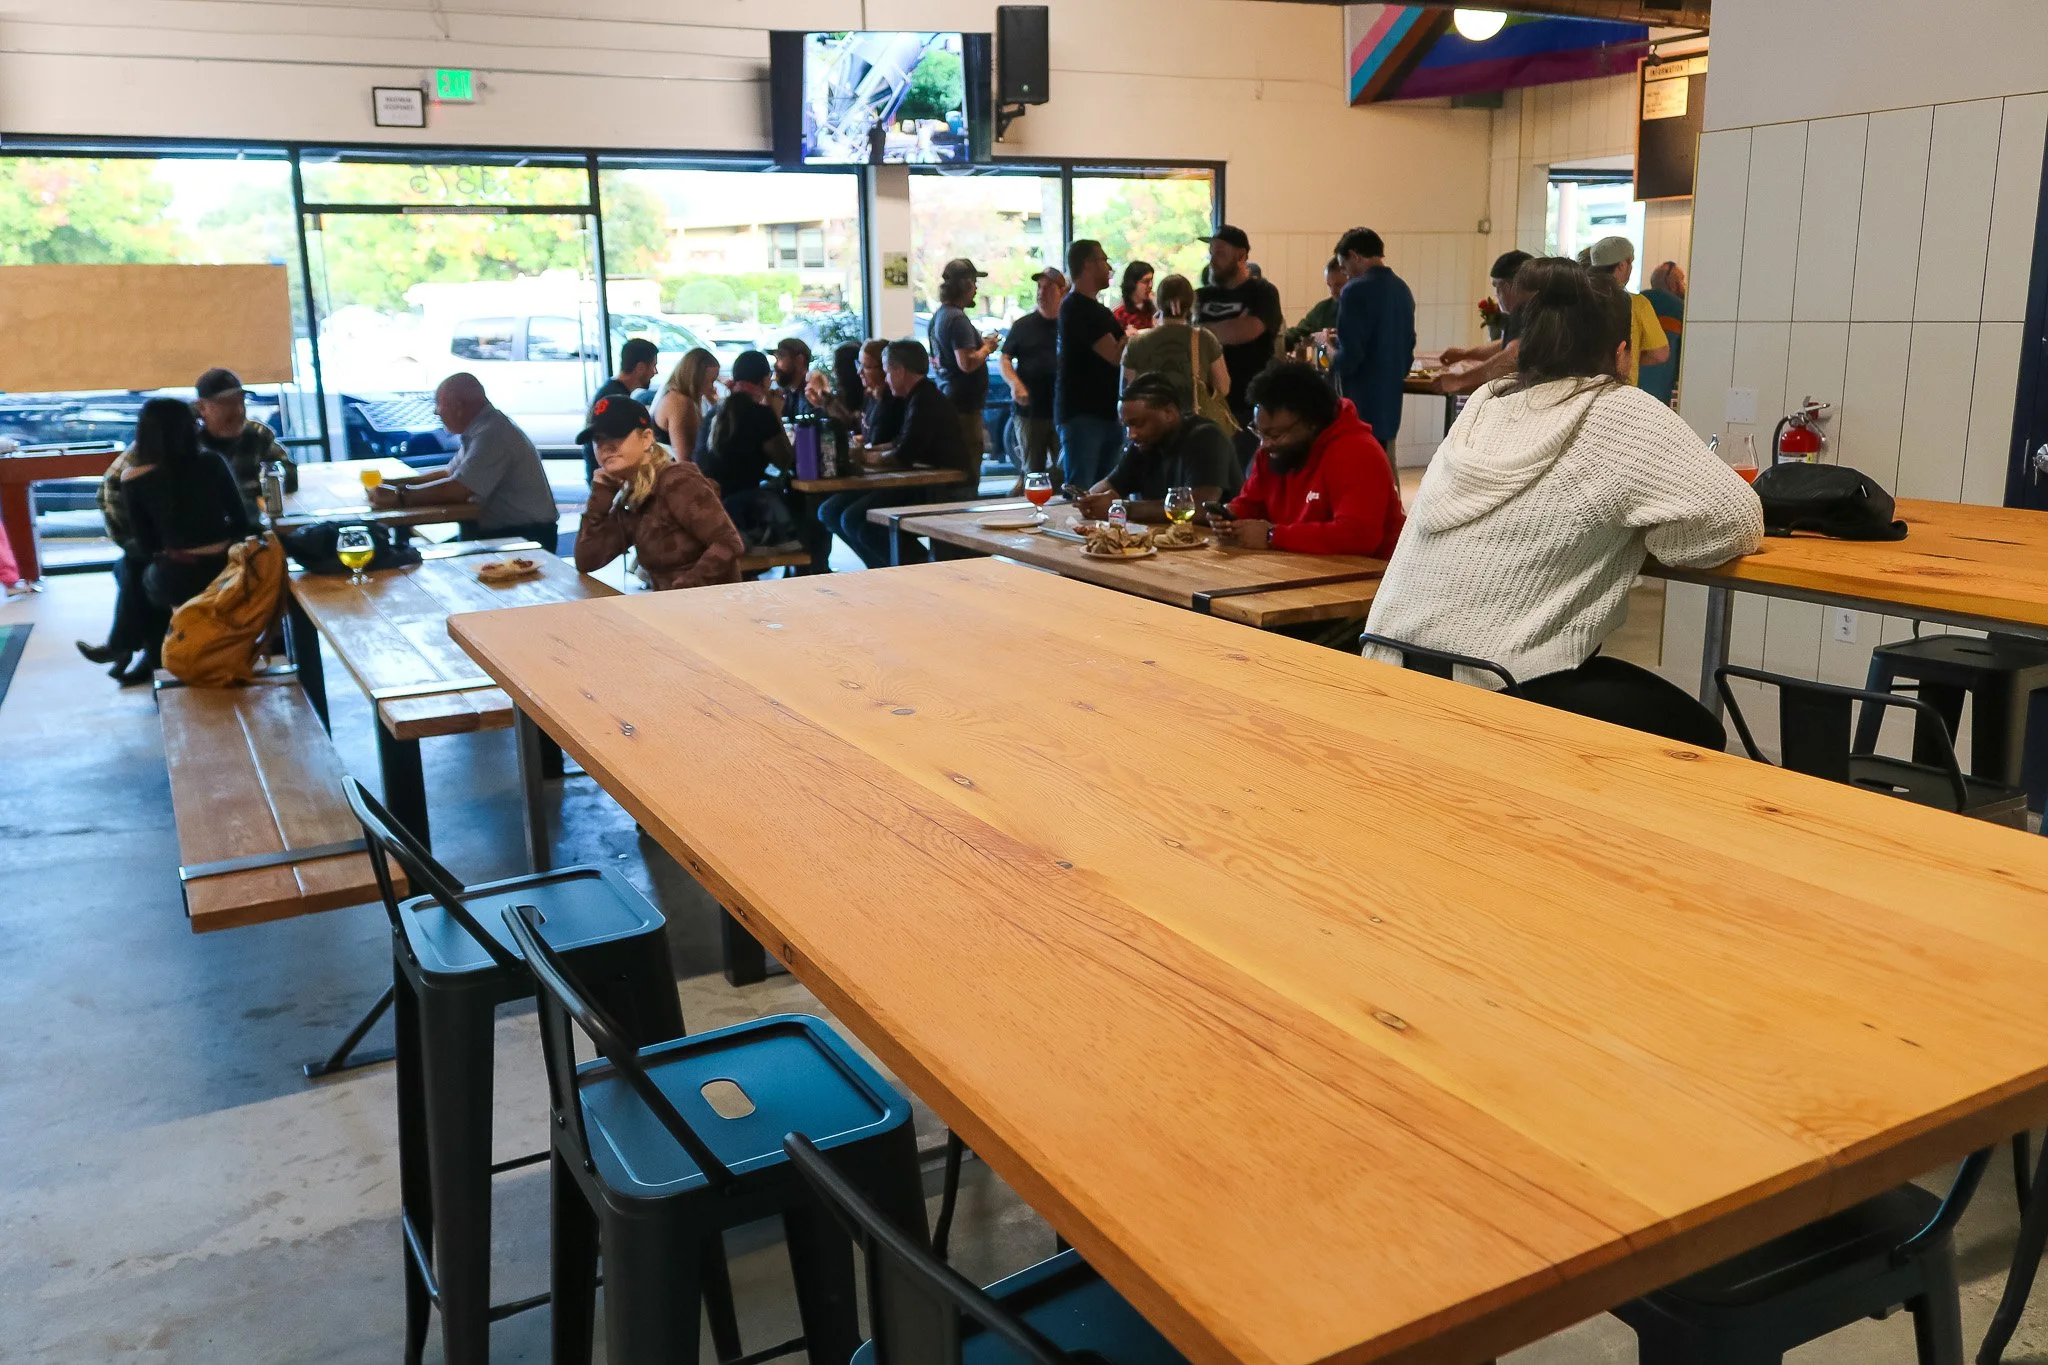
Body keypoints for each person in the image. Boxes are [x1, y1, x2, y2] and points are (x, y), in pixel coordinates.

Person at [1361, 259, 1762, 748]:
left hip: (1385, 669)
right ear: (1622, 355)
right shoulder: (1616, 408)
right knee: (1698, 734)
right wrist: (1647, 534)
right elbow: (1736, 521)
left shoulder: (1484, 407)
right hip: (1495, 684)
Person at [118, 396, 255, 681]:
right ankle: (131, 649)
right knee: (134, 569)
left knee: (136, 571)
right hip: (226, 568)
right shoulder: (212, 462)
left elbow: (147, 544)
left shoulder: (133, 477)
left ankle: (151, 658)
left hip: (176, 574)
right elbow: (240, 520)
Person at [1217, 359, 1404, 558]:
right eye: (1259, 433)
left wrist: (1273, 536)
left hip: (1374, 576)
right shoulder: (1274, 452)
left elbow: (1358, 536)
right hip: (1305, 568)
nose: (1265, 444)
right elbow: (1254, 503)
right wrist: (1231, 515)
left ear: (1312, 422)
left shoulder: (1358, 452)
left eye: (1275, 434)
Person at [367, 373, 560, 552]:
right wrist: (390, 484)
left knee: (425, 563)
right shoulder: (485, 427)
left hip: (525, 538)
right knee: (421, 558)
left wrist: (399, 496)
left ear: (458, 406)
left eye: (439, 404)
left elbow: (459, 488)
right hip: (505, 533)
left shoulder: (492, 434)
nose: (436, 412)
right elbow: (449, 474)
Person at [822, 341, 970, 568]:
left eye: (888, 371)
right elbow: (898, 442)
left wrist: (864, 456)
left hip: (940, 488)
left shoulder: (924, 400)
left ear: (899, 371)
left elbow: (902, 454)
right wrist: (867, 451)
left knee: (852, 518)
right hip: (922, 482)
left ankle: (915, 568)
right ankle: (883, 570)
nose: (886, 378)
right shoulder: (916, 397)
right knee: (832, 511)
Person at [573, 395, 743, 591]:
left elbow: (729, 543)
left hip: (712, 608)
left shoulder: (677, 480)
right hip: (670, 610)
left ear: (646, 438)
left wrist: (680, 592)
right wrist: (600, 494)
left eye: (616, 435)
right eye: (598, 439)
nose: (606, 446)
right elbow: (587, 560)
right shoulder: (634, 494)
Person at [699, 349, 821, 558]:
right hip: (742, 516)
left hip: (708, 511)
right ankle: (813, 568)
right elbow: (787, 461)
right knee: (809, 509)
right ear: (765, 381)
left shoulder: (714, 412)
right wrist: (775, 412)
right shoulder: (759, 414)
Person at [1074, 374, 1238, 522]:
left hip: (1222, 548)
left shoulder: (1206, 437)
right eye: (1126, 426)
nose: (1131, 435)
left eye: (1137, 424)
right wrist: (1089, 500)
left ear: (1169, 413)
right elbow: (1109, 486)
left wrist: (1122, 508)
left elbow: (1200, 508)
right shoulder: (1144, 444)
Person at [1193, 225, 1285, 459]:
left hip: (1245, 402)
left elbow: (1249, 329)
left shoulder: (1261, 292)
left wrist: (1201, 332)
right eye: (1211, 253)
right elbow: (1185, 335)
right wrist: (1224, 328)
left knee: (1239, 474)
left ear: (1242, 256)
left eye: (1220, 253)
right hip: (1206, 403)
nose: (1213, 260)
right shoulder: (1201, 296)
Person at [1331, 227, 1416, 458]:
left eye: (1344, 265)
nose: (1346, 273)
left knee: (1356, 466)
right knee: (1379, 462)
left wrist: (1330, 354)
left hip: (1360, 397)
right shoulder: (1402, 289)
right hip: (1390, 396)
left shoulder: (1355, 290)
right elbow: (1409, 345)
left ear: (1355, 255)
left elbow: (1351, 355)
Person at [1056, 238, 1127, 491]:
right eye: (1104, 260)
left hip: (1107, 412)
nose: (1109, 267)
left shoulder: (1100, 311)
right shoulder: (1076, 307)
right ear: (1088, 264)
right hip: (1084, 414)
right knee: (1083, 492)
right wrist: (1130, 339)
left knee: (1106, 493)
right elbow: (1115, 355)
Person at [1119, 274, 1231, 426]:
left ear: (1158, 302)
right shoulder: (1205, 339)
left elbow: (1126, 391)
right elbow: (1223, 387)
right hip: (1193, 428)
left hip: (1151, 428)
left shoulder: (1137, 342)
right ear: (1191, 302)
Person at [194, 368, 295, 521]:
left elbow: (289, 475)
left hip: (254, 525)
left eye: (240, 401)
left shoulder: (258, 435)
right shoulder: (193, 444)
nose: (239, 411)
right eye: (227, 403)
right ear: (201, 407)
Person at [1436, 250, 1534, 395]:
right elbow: (1506, 345)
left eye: (1496, 286)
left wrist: (1460, 381)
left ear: (1508, 286)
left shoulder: (1527, 308)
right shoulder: (1534, 306)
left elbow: (1512, 355)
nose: (1496, 295)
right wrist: (1465, 354)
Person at [999, 268, 1066, 481]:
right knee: (1032, 472)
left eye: (1048, 287)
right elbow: (1005, 359)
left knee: (1062, 472)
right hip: (1029, 411)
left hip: (1061, 411)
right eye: (1039, 287)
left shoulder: (1068, 324)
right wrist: (1015, 384)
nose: (1041, 292)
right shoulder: (1023, 325)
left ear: (1062, 291)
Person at [928, 257, 998, 458]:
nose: (976, 288)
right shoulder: (958, 319)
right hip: (964, 410)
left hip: (950, 402)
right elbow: (966, 363)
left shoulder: (939, 316)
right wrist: (987, 348)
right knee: (968, 465)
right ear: (965, 285)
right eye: (974, 283)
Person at [1585, 236, 1670, 387]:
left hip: (1579, 393)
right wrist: (1633, 355)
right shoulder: (1637, 304)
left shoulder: (1577, 299)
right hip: (1619, 391)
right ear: (1622, 264)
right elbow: (1660, 354)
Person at [583, 337, 660, 480]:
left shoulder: (610, 391)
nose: (655, 372)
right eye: (653, 366)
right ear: (640, 368)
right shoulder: (615, 400)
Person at [652, 347, 720, 456]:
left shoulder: (676, 395)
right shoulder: (680, 403)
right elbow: (685, 457)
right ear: (696, 379)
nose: (712, 387)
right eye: (711, 381)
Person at [1639, 260, 1686, 406]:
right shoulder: (1681, 309)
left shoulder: (1636, 302)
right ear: (1674, 284)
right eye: (1682, 281)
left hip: (1631, 389)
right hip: (1662, 392)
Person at [1284, 258, 1346, 352]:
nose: (1333, 291)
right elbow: (1300, 332)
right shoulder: (1323, 309)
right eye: (1330, 285)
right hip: (1326, 363)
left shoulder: (1368, 308)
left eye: (1338, 285)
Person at [773, 337, 817, 419]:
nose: (775, 365)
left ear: (799, 360)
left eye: (780, 358)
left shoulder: (813, 396)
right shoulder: (784, 396)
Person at [1114, 261, 1157, 333]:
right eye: (1145, 281)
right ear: (1132, 284)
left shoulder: (1155, 309)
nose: (1150, 285)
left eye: (1151, 280)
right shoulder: (1120, 315)